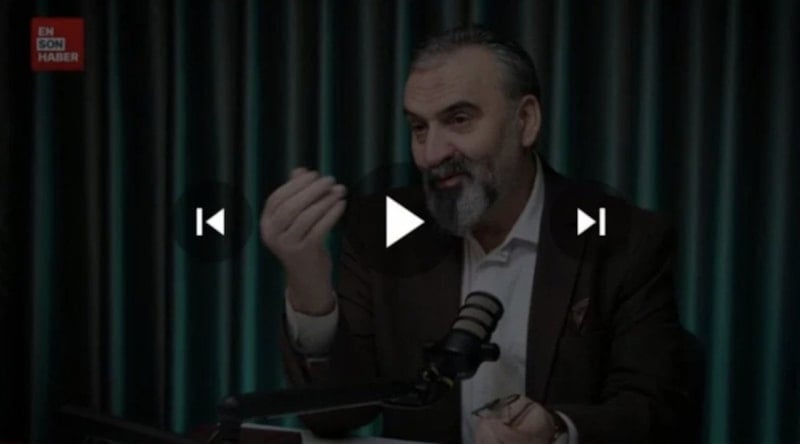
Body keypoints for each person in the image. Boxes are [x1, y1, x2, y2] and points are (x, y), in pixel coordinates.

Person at [260, 26, 689, 444]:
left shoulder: (625, 239)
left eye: (459, 119)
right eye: (419, 128)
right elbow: (335, 415)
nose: (431, 154)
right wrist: (309, 284)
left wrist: (558, 430)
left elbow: (654, 411)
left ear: (525, 121)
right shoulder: (383, 229)